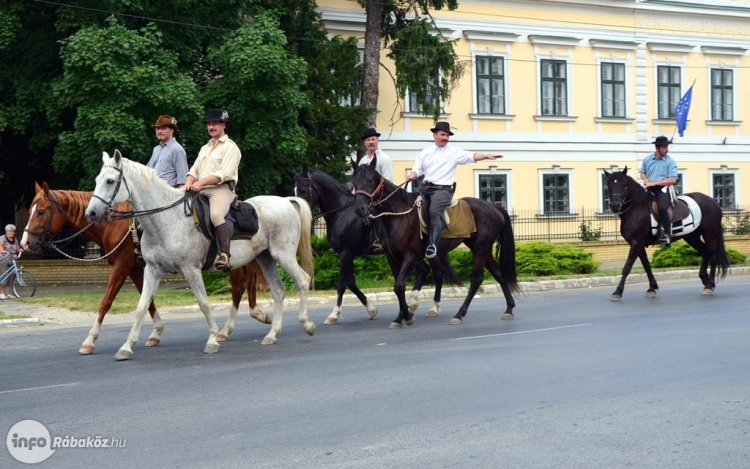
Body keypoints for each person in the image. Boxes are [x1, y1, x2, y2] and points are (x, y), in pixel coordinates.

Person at [406, 122, 504, 259]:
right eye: (442, 134)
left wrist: (487, 155)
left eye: (447, 135)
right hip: (424, 188)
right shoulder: (425, 153)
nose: (445, 138)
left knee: (434, 210)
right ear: (434, 135)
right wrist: (413, 174)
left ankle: (432, 245)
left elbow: (472, 156)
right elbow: (417, 168)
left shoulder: (454, 152)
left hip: (442, 190)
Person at [183, 109, 242, 271]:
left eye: (215, 123)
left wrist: (201, 182)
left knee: (216, 215)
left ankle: (224, 255)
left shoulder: (231, 148)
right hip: (199, 189)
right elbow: (194, 170)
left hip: (221, 190)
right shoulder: (205, 148)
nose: (211, 126)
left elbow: (225, 174)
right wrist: (189, 181)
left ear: (224, 125)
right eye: (209, 124)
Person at [639, 135, 678, 245]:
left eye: (667, 147)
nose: (667, 149)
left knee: (662, 207)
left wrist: (654, 183)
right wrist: (646, 180)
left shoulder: (670, 161)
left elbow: (672, 179)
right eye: (664, 147)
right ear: (657, 148)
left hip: (664, 189)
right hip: (650, 188)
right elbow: (642, 172)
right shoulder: (647, 159)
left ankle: (667, 234)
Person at [146, 115, 189, 188]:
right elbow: (147, 171)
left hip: (169, 193)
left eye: (163, 128)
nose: (160, 131)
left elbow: (182, 178)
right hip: (154, 191)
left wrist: (181, 196)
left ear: (171, 131)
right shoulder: (156, 149)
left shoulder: (177, 149)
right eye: (157, 129)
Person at [0, 224, 22, 299]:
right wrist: (3, 250)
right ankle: (2, 293)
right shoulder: (3, 238)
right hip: (3, 260)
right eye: (10, 231)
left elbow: (17, 248)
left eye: (13, 231)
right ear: (6, 232)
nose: (11, 233)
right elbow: (1, 246)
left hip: (12, 260)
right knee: (4, 276)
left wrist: (20, 250)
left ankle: (7, 293)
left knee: (10, 278)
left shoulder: (15, 239)